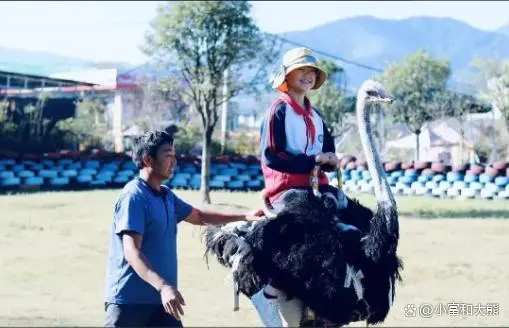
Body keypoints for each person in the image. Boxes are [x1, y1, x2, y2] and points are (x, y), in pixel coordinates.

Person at [103, 130, 257, 327]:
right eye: (168, 156)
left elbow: (199, 216)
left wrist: (245, 216)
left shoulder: (166, 196)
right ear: (148, 160)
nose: (174, 161)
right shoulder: (134, 197)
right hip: (129, 303)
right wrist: (164, 287)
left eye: (174, 156)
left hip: (162, 303)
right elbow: (132, 252)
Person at [251, 47, 358, 327]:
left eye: (312, 71)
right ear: (288, 76)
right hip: (287, 189)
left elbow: (327, 151)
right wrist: (313, 160)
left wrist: (331, 162)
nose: (308, 75)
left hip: (318, 187)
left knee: (357, 216)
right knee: (311, 223)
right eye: (302, 70)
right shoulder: (278, 111)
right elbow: (271, 156)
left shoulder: (317, 114)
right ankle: (271, 290)